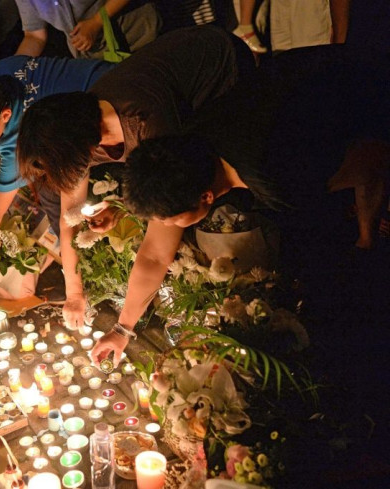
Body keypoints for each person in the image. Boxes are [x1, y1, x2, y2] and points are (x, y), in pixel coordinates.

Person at [91, 44, 390, 367]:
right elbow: (153, 254)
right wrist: (122, 329)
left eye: (172, 219)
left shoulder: (275, 175)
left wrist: (366, 238)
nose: (168, 227)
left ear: (206, 197)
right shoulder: (186, 147)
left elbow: (373, 162)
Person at [16, 25, 253, 331]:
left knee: (200, 188)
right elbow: (68, 216)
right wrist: (74, 292)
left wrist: (123, 328)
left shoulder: (150, 124)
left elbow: (157, 251)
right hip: (186, 62)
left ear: (78, 150)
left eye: (59, 167)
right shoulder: (80, 125)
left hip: (222, 64)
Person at [0, 55, 115, 304]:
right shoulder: (2, 69)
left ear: (4, 116)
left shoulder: (19, 139)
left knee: (61, 202)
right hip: (116, 73)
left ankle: (93, 275)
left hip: (110, 120)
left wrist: (74, 295)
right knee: (48, 192)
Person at [14, 0, 160, 58]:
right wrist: (11, 68)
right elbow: (34, 36)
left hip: (137, 34)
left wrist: (96, 22)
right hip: (92, 58)